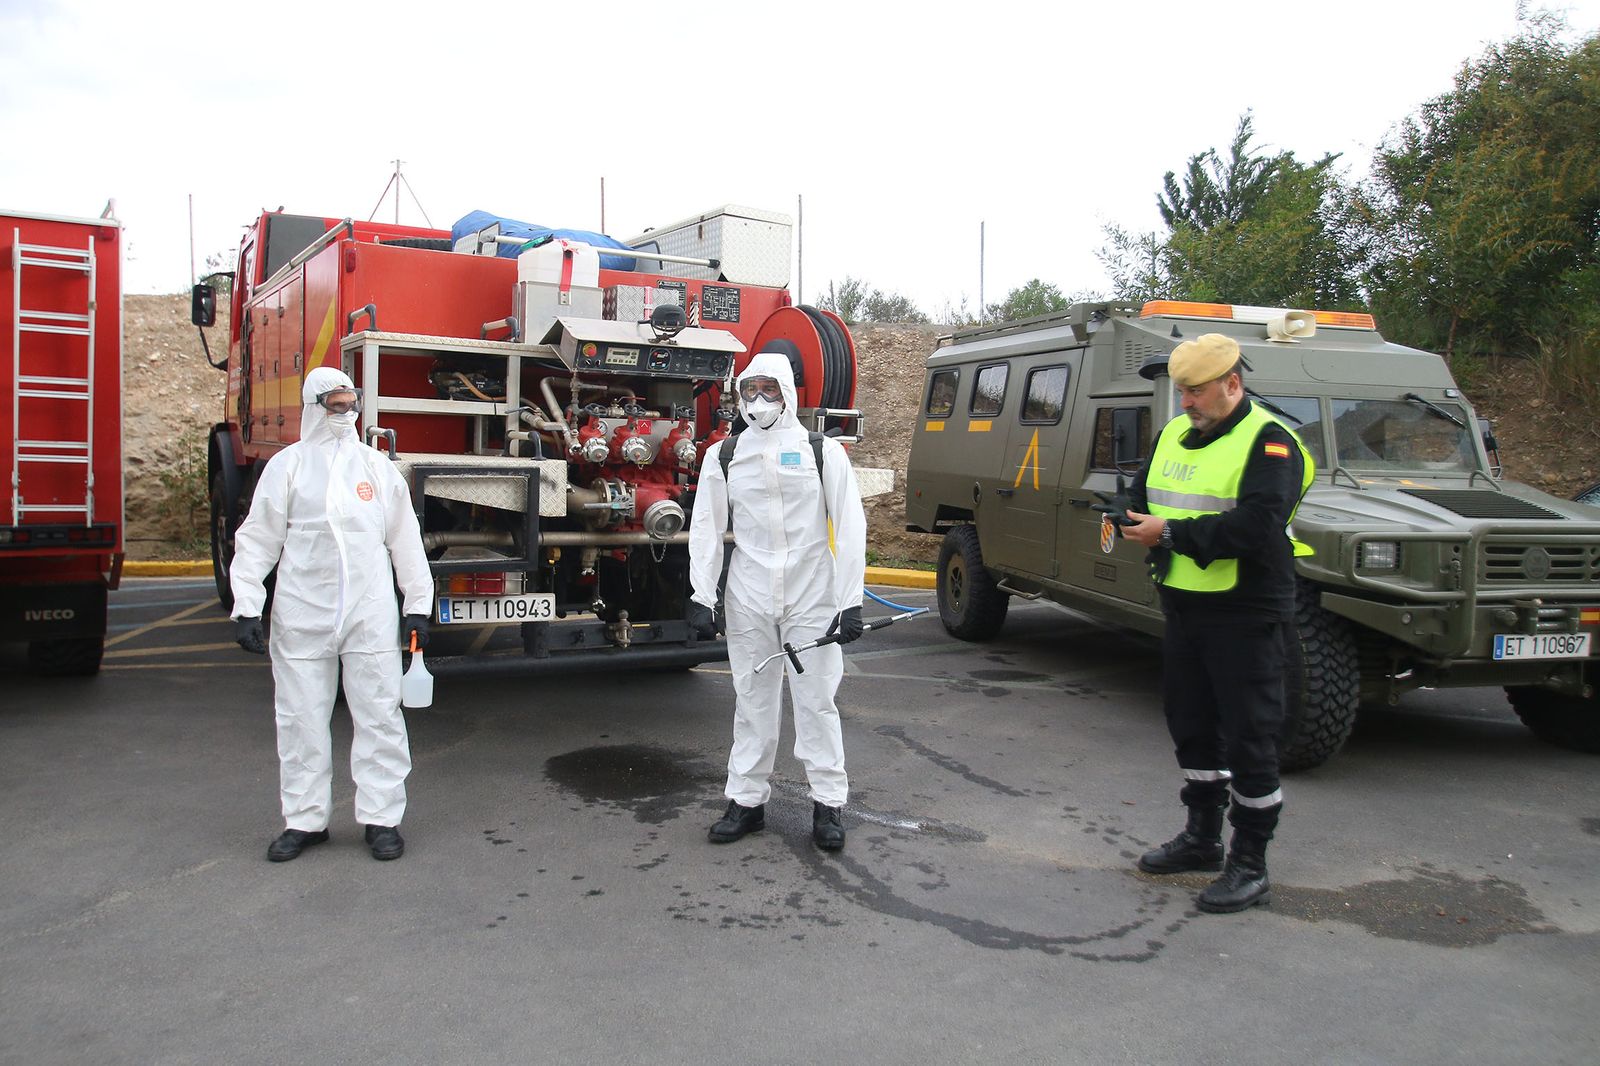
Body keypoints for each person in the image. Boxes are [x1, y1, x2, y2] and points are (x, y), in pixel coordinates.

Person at [1111, 333, 1313, 913]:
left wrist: (1169, 533)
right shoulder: (1177, 432)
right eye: (1181, 393)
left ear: (1232, 384)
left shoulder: (1273, 443)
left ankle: (1249, 862)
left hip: (1245, 609)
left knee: (1251, 734)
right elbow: (1143, 487)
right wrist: (1125, 512)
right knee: (1192, 724)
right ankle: (1201, 838)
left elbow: (1256, 527)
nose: (1187, 404)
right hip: (1184, 603)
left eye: (1196, 392)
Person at [230, 366, 434, 863]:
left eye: (351, 403)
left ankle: (382, 819)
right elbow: (258, 538)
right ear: (314, 407)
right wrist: (246, 605)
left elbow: (404, 539)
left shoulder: (377, 468)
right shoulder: (288, 467)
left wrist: (417, 606)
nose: (345, 413)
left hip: (369, 613)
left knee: (380, 716)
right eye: (335, 404)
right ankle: (304, 820)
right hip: (302, 613)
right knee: (300, 719)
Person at [686, 347, 868, 850]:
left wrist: (849, 600)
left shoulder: (820, 451)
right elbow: (706, 526)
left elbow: (850, 526)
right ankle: (746, 802)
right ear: (738, 395)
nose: (758, 399)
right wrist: (703, 594)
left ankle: (828, 805)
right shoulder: (724, 454)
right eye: (750, 390)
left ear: (787, 393)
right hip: (749, 594)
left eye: (768, 389)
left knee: (817, 703)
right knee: (752, 701)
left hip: (812, 593)